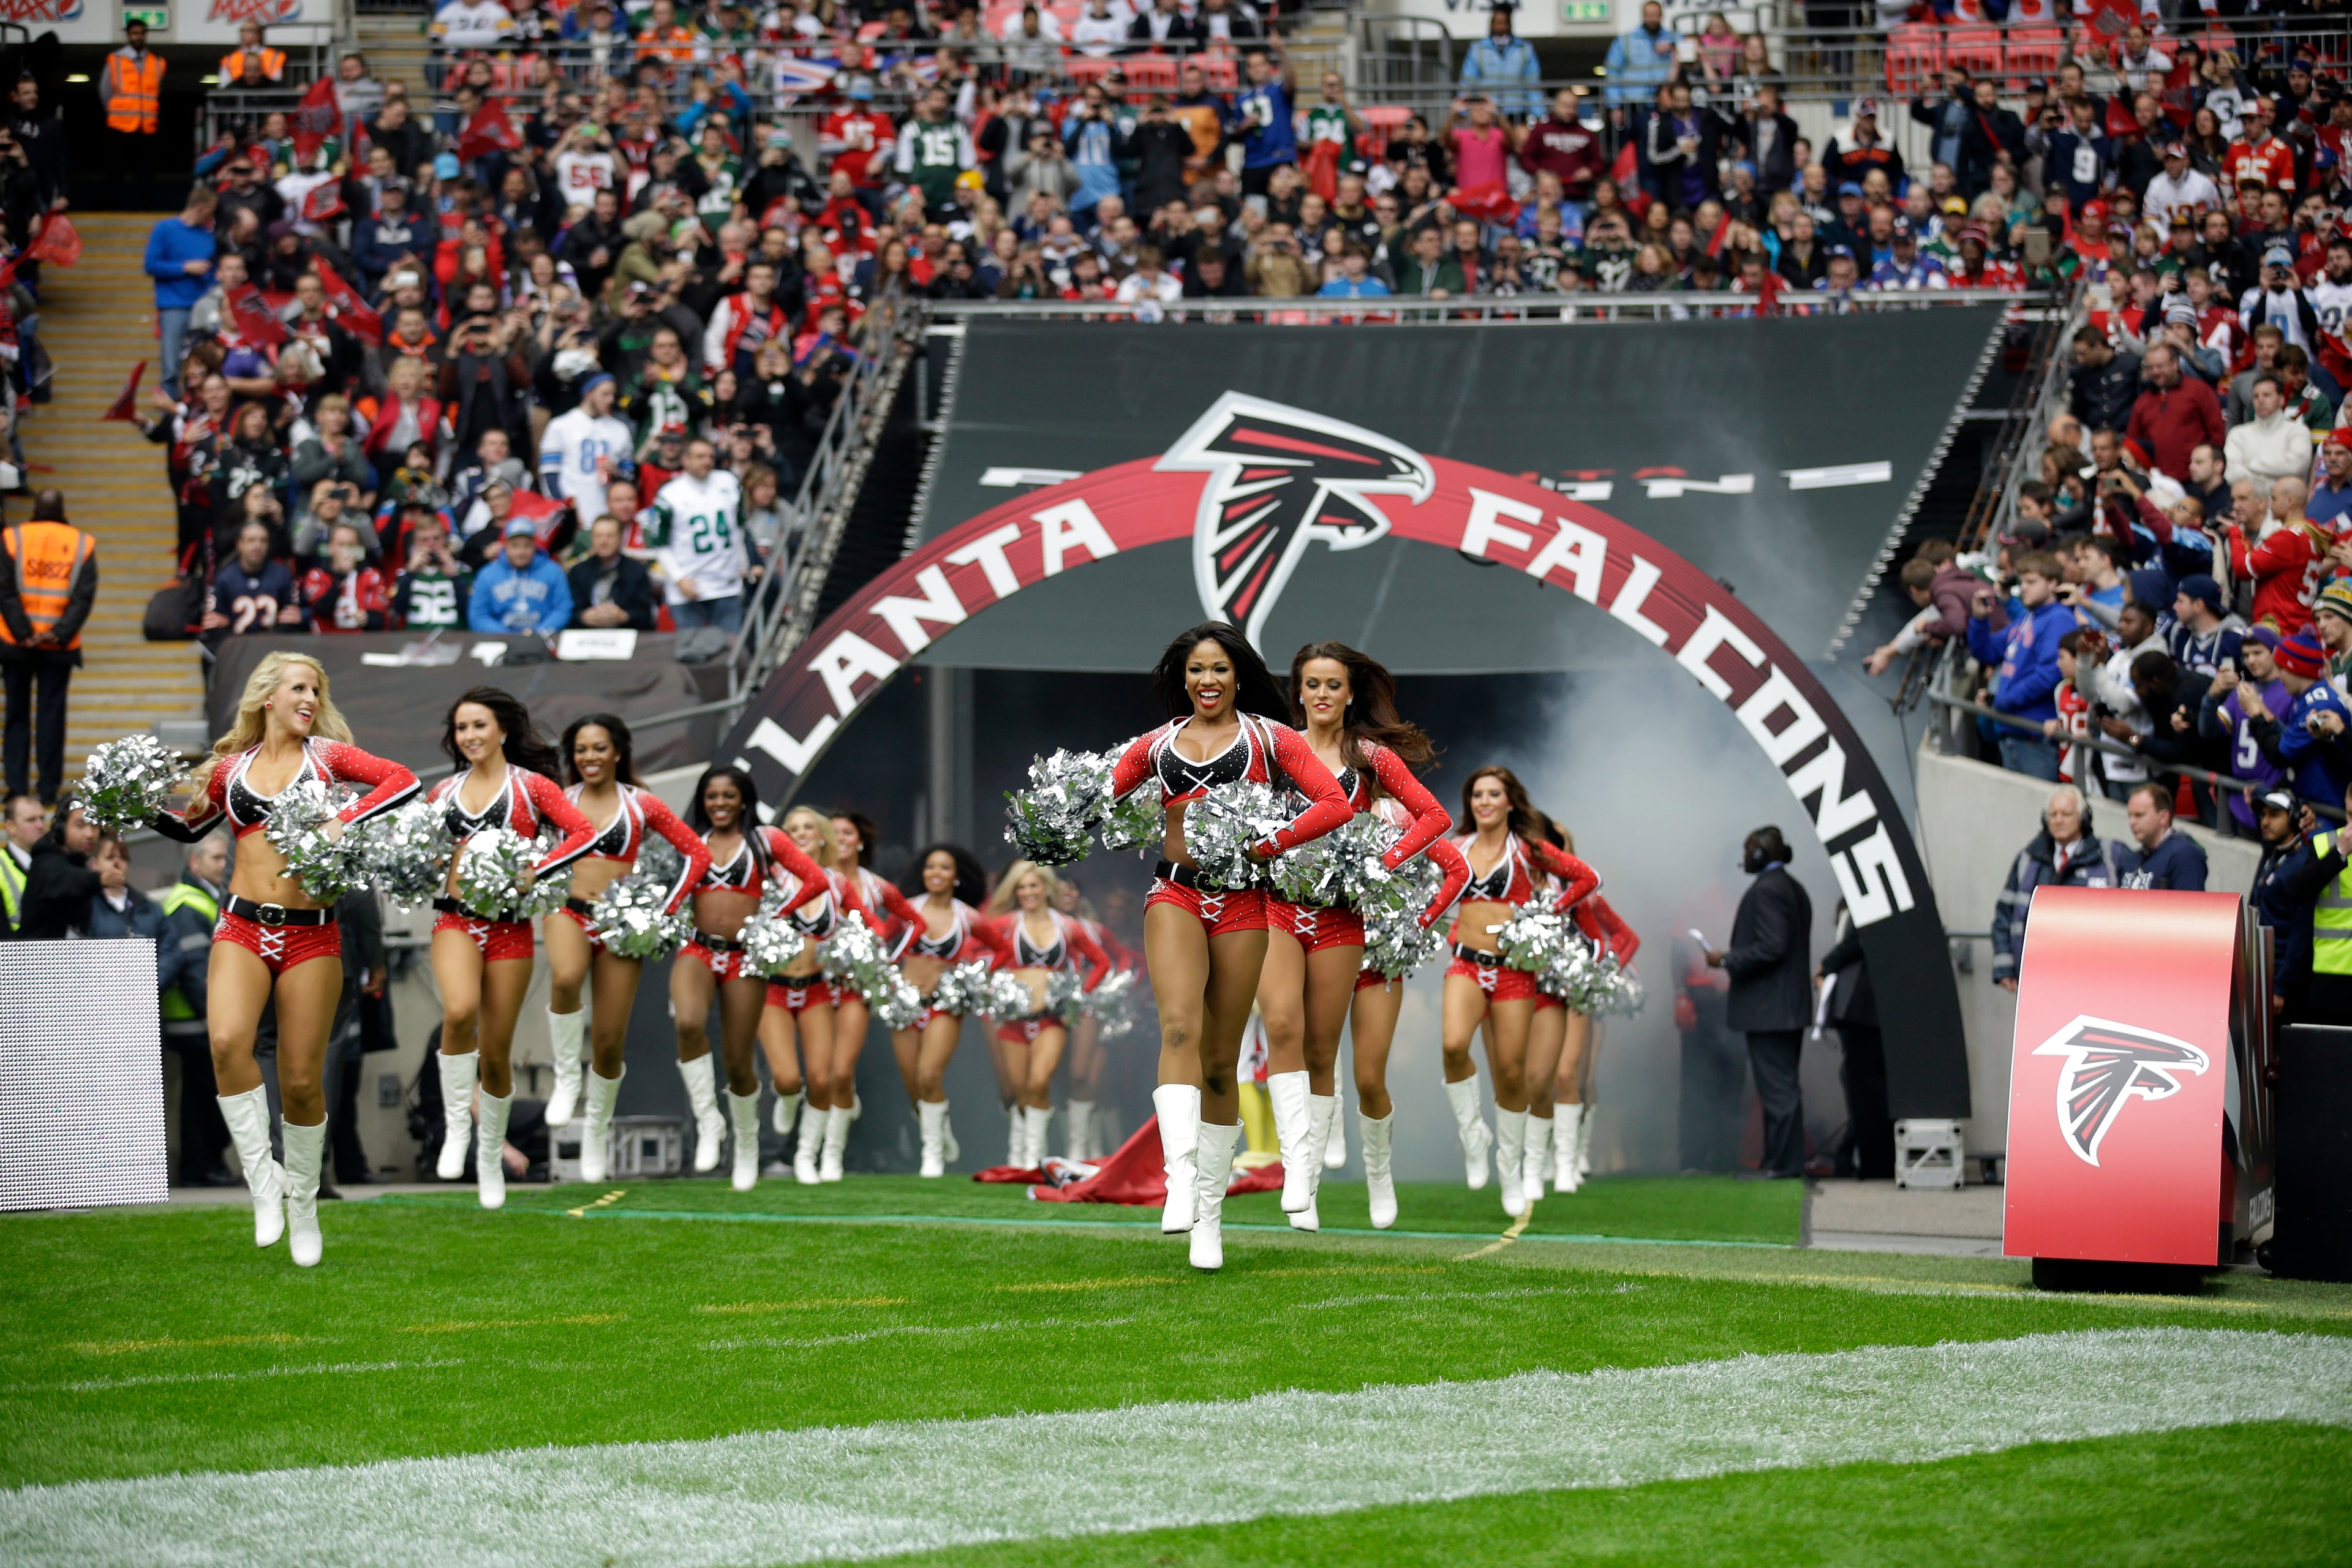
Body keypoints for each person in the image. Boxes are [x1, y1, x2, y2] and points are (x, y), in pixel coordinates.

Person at [148, 652, 420, 1266]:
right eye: (300, 687)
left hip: (313, 935)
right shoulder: (230, 769)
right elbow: (191, 829)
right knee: (226, 1045)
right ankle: (263, 1184)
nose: (310, 698)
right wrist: (131, 806)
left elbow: (402, 780)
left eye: (318, 690)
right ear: (267, 696)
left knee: (301, 1082)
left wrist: (341, 820)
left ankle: (303, 1202)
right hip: (242, 926)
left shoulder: (327, 758)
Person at [1104, 623, 1354, 1272]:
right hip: (1176, 895)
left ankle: (1209, 1215)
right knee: (1180, 1029)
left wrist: (1271, 843)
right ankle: (1179, 1180)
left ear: (1238, 675)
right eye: (1195, 671)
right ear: (1181, 679)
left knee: (1222, 1063)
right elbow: (1097, 797)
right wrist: (1062, 818)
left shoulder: (1271, 739)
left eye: (1218, 669)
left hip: (1246, 901)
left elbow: (1333, 804)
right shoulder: (1157, 745)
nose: (1206, 681)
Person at [1259, 641, 1455, 1232]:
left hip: (1342, 915)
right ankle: (1302, 1173)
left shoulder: (1369, 757)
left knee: (1325, 1050)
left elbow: (1435, 818)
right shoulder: (1273, 749)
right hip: (1277, 908)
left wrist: (1383, 862)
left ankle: (1339, 1171)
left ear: (1349, 694)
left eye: (1333, 685)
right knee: (1282, 1028)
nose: (1321, 694)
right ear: (1298, 690)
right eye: (1312, 684)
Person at [423, 688, 595, 1209]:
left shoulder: (532, 787)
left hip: (511, 930)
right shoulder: (442, 792)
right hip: (455, 922)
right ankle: (459, 1131)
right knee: (458, 1013)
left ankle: (490, 1154)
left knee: (496, 1053)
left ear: (501, 731)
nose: (470, 736)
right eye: (461, 728)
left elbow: (582, 832)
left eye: (479, 725)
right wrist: (422, 865)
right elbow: (424, 854)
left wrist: (535, 870)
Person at [542, 715, 709, 1179]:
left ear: (618, 752)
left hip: (621, 924)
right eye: (580, 750)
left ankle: (596, 1129)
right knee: (566, 976)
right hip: (567, 907)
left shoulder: (643, 804)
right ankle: (566, 1077)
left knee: (611, 1041)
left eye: (599, 748)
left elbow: (697, 853)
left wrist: (667, 906)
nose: (589, 757)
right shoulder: (558, 800)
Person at [1439, 766, 1600, 1218]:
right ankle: (1474, 1137)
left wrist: (1548, 911)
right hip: (1466, 964)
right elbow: (1417, 880)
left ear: (1511, 801)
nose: (1484, 802)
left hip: (1514, 973)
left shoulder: (1529, 851)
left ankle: (1510, 1173)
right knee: (1453, 1046)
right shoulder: (1457, 847)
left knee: (1513, 1075)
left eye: (1494, 794)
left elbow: (1586, 878)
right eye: (1477, 795)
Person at [760, 803, 870, 1185]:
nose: (801, 832)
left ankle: (807, 1155)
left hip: (817, 990)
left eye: (808, 827)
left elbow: (870, 926)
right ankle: (788, 1099)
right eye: (793, 828)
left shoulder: (837, 884)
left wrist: (862, 952)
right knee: (788, 1079)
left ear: (822, 835)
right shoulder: (771, 877)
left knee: (821, 1080)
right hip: (773, 988)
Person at [890, 842, 1009, 1177]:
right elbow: (880, 941)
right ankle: (939, 1131)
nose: (936, 874)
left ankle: (932, 1155)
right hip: (905, 1002)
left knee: (930, 1074)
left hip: (945, 1004)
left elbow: (1001, 948)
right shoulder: (905, 909)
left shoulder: (967, 917)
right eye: (930, 867)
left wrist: (971, 977)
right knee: (914, 1085)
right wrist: (885, 975)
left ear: (956, 877)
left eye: (944, 868)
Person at [984, 861, 1110, 1169]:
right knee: (1018, 1089)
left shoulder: (1067, 925)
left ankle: (1033, 1155)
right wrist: (991, 982)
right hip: (1014, 1018)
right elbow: (977, 950)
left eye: (1033, 886)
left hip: (1052, 1018)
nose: (1028, 892)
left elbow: (1101, 962)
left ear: (1046, 889)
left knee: (1039, 1082)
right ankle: (1017, 1152)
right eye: (1022, 887)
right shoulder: (1007, 924)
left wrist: (1078, 997)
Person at [1705, 826, 1812, 1180]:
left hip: (1770, 1009)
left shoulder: (1767, 891)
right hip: (1785, 1007)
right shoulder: (1793, 888)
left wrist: (1726, 959)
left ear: (1759, 855)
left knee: (1778, 1090)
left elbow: (1772, 946)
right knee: (1783, 1086)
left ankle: (1782, 1165)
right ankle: (1780, 1162)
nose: (1744, 858)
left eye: (1749, 850)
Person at [0, 493, 96, 807]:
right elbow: (83, 597)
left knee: (17, 715)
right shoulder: (82, 543)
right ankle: (47, 790)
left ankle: (16, 790)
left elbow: (5, 589)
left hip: (16, 644)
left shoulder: (13, 538)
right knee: (51, 717)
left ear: (34, 511)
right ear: (63, 513)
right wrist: (57, 633)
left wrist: (25, 633)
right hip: (59, 646)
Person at [154, 832, 233, 1186]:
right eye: (216, 858)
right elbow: (197, 970)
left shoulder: (204, 898)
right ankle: (202, 1167)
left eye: (224, 857)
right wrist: (216, 1017)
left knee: (204, 1096)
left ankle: (205, 1165)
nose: (223, 864)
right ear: (194, 863)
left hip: (201, 1017)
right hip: (196, 1019)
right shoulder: (189, 903)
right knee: (204, 1098)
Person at [1991, 785, 2125, 989]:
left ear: (2083, 817)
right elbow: (2004, 913)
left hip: (2097, 979)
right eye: (2053, 814)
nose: (2059, 820)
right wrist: (2006, 967)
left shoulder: (2111, 855)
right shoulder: (2028, 859)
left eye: (2066, 814)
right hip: (2038, 978)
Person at [1966, 550, 2073, 778]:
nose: (2024, 587)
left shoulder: (2059, 619)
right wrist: (1979, 619)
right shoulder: (2027, 618)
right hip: (2013, 732)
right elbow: (1987, 651)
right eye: (2023, 582)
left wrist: (2004, 700)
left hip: (2034, 738)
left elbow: (2050, 673)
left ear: (2053, 583)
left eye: (2032, 582)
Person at [647, 437, 750, 634]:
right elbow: (659, 543)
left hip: (727, 586)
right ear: (685, 460)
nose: (707, 462)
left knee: (729, 652)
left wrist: (742, 563)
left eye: (711, 456)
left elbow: (739, 529)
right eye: (701, 456)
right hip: (689, 587)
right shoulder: (670, 494)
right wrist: (679, 579)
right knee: (692, 655)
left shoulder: (728, 482)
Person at [1817, 901, 1889, 1181]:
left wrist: (1824, 966)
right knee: (1860, 1087)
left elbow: (1855, 941)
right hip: (1857, 1014)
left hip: (1863, 1013)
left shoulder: (1869, 906)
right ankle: (1859, 1158)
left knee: (1867, 1091)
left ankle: (1872, 1163)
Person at [2248, 788, 2320, 1020]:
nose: (2265, 822)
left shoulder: (2302, 864)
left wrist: (2281, 987)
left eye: (2274, 815)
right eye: (2263, 815)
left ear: (2292, 819)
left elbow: (2301, 932)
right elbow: (2255, 791)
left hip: (2282, 977)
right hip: (2261, 966)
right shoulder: (2274, 851)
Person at [537, 372, 634, 531]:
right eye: (605, 394)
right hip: (574, 512)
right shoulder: (561, 426)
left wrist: (617, 472)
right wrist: (563, 509)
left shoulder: (620, 429)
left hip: (609, 517)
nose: (610, 399)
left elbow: (629, 476)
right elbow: (549, 475)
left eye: (612, 394)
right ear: (588, 394)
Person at [146, 186, 217, 399]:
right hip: (174, 307)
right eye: (211, 211)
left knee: (204, 362)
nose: (212, 215)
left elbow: (211, 272)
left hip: (203, 306)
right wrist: (185, 267)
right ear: (202, 208)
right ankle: (170, 415)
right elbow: (151, 265)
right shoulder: (165, 229)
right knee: (171, 365)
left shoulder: (207, 237)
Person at [468, 515, 574, 635]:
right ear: (506, 545)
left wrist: (539, 632)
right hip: (500, 640)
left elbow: (563, 609)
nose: (521, 552)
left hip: (544, 638)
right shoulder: (487, 575)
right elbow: (478, 617)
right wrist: (507, 635)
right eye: (515, 545)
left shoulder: (553, 571)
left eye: (526, 545)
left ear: (534, 545)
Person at [99, 19, 165, 208]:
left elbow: (157, 91)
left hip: (146, 127)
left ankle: (142, 209)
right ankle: (110, 209)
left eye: (141, 33)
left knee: (145, 172)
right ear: (129, 35)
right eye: (135, 33)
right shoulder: (115, 60)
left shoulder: (157, 62)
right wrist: (117, 113)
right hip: (119, 125)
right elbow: (105, 91)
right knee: (115, 170)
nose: (138, 37)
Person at [16, 791, 98, 940]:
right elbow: (65, 879)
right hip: (37, 961)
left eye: (95, 826)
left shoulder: (80, 862)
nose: (90, 834)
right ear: (61, 828)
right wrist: (101, 879)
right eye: (80, 825)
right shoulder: (46, 863)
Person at [567, 514, 659, 631]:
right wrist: (582, 617)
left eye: (610, 536)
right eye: (599, 536)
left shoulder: (636, 571)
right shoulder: (578, 572)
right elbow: (568, 611)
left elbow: (647, 615)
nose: (604, 542)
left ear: (620, 537)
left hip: (626, 635)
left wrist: (625, 617)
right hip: (588, 636)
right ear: (592, 539)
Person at [2117, 780, 2207, 889]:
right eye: (2130, 816)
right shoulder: (2132, 859)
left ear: (2163, 817)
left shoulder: (2185, 855)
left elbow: (2190, 905)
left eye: (2139, 815)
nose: (2132, 822)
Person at [1458, 5, 1540, 124]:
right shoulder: (1478, 48)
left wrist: (1538, 113)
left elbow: (1533, 84)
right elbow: (1468, 82)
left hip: (1516, 110)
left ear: (1509, 24)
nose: (1500, 25)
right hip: (1487, 110)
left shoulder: (1524, 48)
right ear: (1491, 24)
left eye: (1504, 22)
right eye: (1497, 22)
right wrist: (1463, 111)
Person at [0, 790, 42, 934]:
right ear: (11, 827)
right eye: (31, 820)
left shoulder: (51, 862)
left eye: (42, 818)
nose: (41, 825)